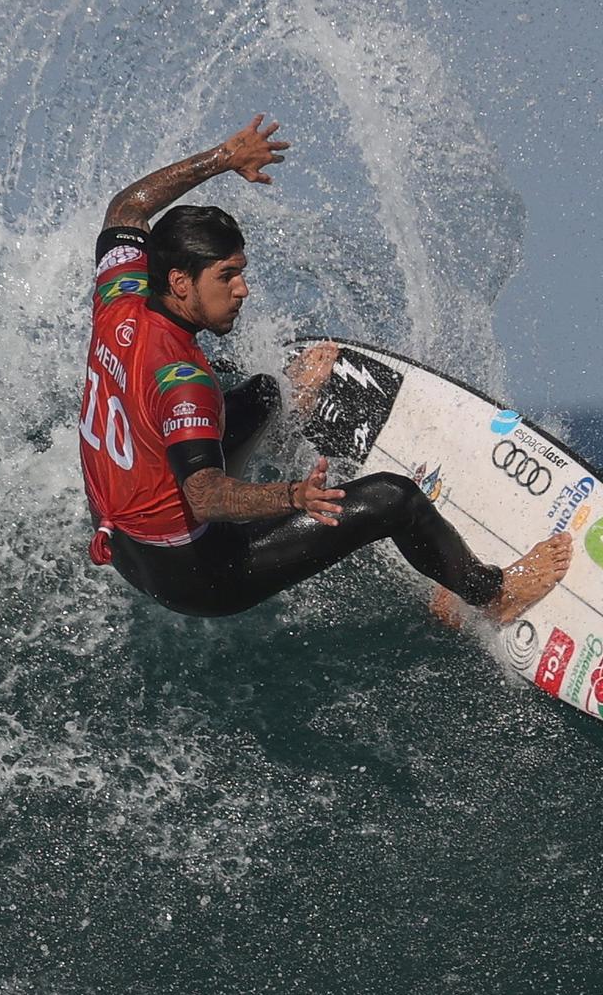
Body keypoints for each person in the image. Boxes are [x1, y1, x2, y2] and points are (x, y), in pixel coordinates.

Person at [78, 114, 572, 620]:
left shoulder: (120, 295)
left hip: (121, 539)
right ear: (180, 282)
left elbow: (128, 207)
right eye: (227, 277)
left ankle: (285, 410)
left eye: (241, 272)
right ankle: (493, 594)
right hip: (196, 575)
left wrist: (223, 159)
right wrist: (296, 496)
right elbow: (203, 496)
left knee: (267, 394)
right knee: (393, 498)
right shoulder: (184, 383)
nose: (242, 289)